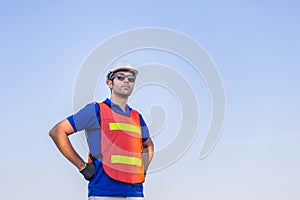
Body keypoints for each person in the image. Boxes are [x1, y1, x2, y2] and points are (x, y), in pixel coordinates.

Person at [49, 62, 154, 200]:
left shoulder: (137, 117)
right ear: (110, 83)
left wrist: (143, 170)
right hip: (103, 191)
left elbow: (148, 146)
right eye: (121, 77)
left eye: (131, 78)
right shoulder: (96, 110)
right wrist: (82, 166)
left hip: (135, 192)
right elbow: (58, 132)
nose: (127, 81)